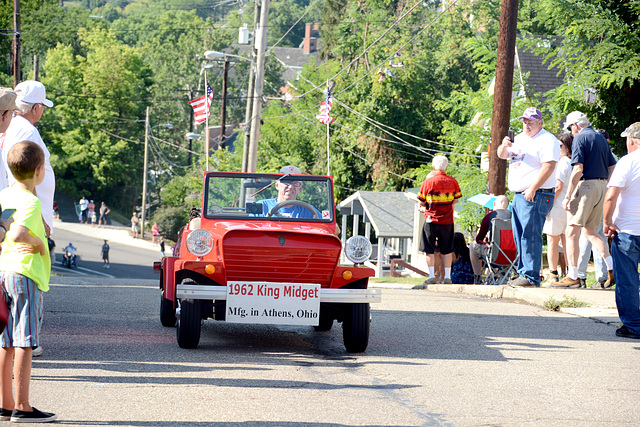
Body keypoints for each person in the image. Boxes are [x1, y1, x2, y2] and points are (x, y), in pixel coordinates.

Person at [0, 140, 57, 422]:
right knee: (25, 340)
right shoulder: (32, 202)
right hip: (25, 274)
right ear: (38, 171)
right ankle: (22, 406)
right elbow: (21, 233)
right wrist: (39, 242)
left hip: (5, 271)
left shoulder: (4, 195)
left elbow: (5, 231)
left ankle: (4, 402)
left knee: (6, 340)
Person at [497, 107, 559, 287]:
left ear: (540, 123)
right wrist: (504, 145)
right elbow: (501, 156)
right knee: (519, 236)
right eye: (524, 121)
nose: (527, 125)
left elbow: (549, 166)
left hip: (536, 194)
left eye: (531, 122)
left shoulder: (547, 140)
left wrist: (533, 188)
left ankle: (531, 277)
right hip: (519, 195)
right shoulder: (519, 139)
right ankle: (524, 272)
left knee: (529, 235)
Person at [555, 111, 617, 288]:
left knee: (571, 232)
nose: (570, 131)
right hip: (601, 186)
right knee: (590, 232)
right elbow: (612, 165)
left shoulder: (580, 139)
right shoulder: (599, 138)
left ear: (575, 125)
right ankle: (612, 270)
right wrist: (606, 184)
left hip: (587, 186)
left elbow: (577, 169)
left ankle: (573, 275)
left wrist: (568, 196)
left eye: (570, 127)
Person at [0, 81, 55, 238]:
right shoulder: (27, 131)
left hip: (14, 213)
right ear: (36, 108)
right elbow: (22, 177)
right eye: (42, 106)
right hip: (28, 220)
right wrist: (42, 221)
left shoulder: (10, 126)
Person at [602, 122, 640, 339]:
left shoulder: (627, 162)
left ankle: (634, 326)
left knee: (627, 281)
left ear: (632, 140)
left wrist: (607, 221)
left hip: (627, 230)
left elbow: (611, 196)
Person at [575, 129, 615, 289]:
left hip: (596, 192)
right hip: (604, 192)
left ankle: (582, 275)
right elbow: (612, 169)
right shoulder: (607, 153)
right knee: (591, 234)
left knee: (587, 234)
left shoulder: (597, 151)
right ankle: (600, 274)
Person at [417, 155, 462, 285]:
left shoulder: (428, 182)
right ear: (446, 167)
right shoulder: (453, 182)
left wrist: (428, 207)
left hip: (431, 220)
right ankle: (447, 277)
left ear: (433, 166)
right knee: (447, 249)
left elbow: (421, 201)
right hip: (447, 221)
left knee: (429, 249)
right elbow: (456, 199)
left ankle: (432, 276)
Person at [543, 133, 574, 284]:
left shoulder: (562, 162)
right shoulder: (573, 162)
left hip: (557, 205)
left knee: (552, 241)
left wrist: (549, 204)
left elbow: (558, 186)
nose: (558, 148)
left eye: (560, 146)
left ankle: (553, 272)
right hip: (569, 206)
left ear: (567, 147)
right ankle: (571, 273)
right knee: (567, 241)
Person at [469, 195, 512, 284]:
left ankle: (477, 277)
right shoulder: (515, 217)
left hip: (494, 255)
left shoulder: (489, 216)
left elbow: (479, 239)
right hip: (512, 256)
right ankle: (504, 274)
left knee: (473, 246)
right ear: (507, 206)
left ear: (494, 204)